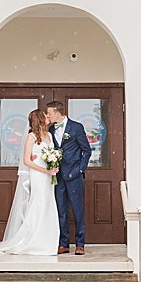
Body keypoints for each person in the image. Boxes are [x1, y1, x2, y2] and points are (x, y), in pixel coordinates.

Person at [0, 108, 60, 257]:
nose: (48, 117)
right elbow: (26, 160)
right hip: (38, 174)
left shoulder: (49, 135)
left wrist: (53, 165)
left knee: (48, 204)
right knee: (38, 204)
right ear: (40, 119)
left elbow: (50, 154)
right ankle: (32, 241)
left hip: (48, 176)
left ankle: (46, 241)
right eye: (45, 116)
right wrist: (45, 171)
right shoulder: (31, 136)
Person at [46, 100, 93, 255]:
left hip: (74, 175)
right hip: (57, 176)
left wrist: (79, 170)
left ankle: (80, 244)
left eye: (49, 113)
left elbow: (86, 151)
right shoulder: (50, 130)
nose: (48, 115)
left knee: (78, 210)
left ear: (57, 113)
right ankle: (63, 243)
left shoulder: (76, 127)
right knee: (61, 210)